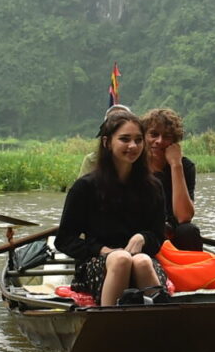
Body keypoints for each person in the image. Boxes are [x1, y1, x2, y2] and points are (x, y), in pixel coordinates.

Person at [55, 111, 166, 307]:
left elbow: (157, 237)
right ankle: (108, 323)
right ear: (107, 143)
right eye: (125, 139)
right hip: (96, 263)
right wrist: (102, 250)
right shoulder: (85, 187)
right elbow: (64, 239)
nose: (133, 146)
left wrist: (143, 238)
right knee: (121, 259)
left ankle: (163, 323)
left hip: (142, 261)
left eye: (138, 140)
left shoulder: (153, 187)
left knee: (141, 261)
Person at [139, 107, 197, 231]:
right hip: (141, 229)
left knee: (189, 230)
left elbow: (184, 217)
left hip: (172, 230)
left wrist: (176, 165)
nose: (159, 141)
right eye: (154, 134)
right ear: (143, 137)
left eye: (167, 137)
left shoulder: (185, 167)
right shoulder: (134, 165)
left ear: (174, 141)